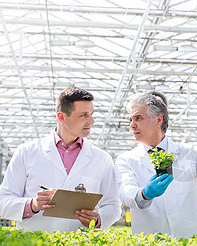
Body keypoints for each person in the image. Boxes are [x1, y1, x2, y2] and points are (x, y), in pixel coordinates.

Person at [115, 92, 197, 238]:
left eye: (138, 118)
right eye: (130, 120)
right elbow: (125, 192)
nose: (132, 125)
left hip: (188, 242)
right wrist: (145, 194)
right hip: (149, 243)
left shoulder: (189, 152)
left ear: (158, 119)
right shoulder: (126, 160)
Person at [0, 87, 121, 232]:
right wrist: (32, 205)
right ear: (62, 117)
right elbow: (3, 200)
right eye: (83, 115)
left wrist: (98, 218)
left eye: (91, 114)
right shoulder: (26, 153)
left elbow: (113, 206)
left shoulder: (102, 159)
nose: (91, 121)